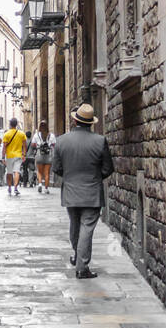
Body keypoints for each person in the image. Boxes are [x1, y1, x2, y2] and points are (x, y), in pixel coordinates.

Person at [52, 103, 114, 278]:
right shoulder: (100, 141)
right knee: (87, 227)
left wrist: (70, 177)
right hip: (92, 191)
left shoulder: (62, 141)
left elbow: (56, 168)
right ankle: (82, 266)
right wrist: (94, 178)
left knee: (75, 225)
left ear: (75, 121)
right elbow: (108, 168)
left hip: (71, 191)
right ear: (91, 123)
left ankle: (78, 255)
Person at [2, 117, 27, 197]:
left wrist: (3, 157)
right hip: (18, 155)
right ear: (16, 124)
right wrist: (24, 155)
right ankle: (15, 187)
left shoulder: (6, 134)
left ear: (10, 124)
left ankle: (9, 187)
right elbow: (24, 146)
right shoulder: (22, 134)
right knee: (17, 171)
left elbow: (4, 147)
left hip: (9, 156)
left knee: (9, 172)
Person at [32, 120, 55, 195]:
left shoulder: (36, 135)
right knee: (47, 173)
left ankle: (39, 184)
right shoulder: (51, 135)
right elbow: (54, 145)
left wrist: (38, 145)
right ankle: (46, 188)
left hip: (39, 154)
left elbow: (33, 145)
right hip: (48, 155)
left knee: (39, 171)